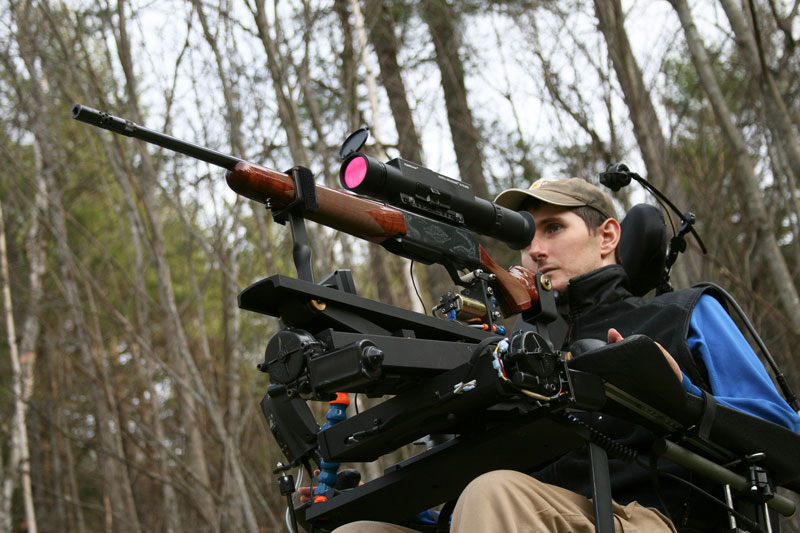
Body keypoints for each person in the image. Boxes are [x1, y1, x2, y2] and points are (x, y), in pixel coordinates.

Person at [326, 177, 800, 532]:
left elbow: (784, 437)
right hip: (530, 511)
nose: (534, 250)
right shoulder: (513, 351)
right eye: (527, 237)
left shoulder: (682, 313)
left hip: (661, 517)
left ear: (608, 236)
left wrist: (684, 396)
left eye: (553, 228)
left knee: (494, 495)